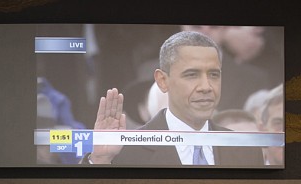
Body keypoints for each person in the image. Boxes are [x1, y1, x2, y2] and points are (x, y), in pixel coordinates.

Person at [87, 30, 264, 167]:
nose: (206, 87)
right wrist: (100, 160)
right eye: (192, 75)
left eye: (214, 75)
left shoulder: (246, 150)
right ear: (163, 81)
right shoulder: (126, 151)